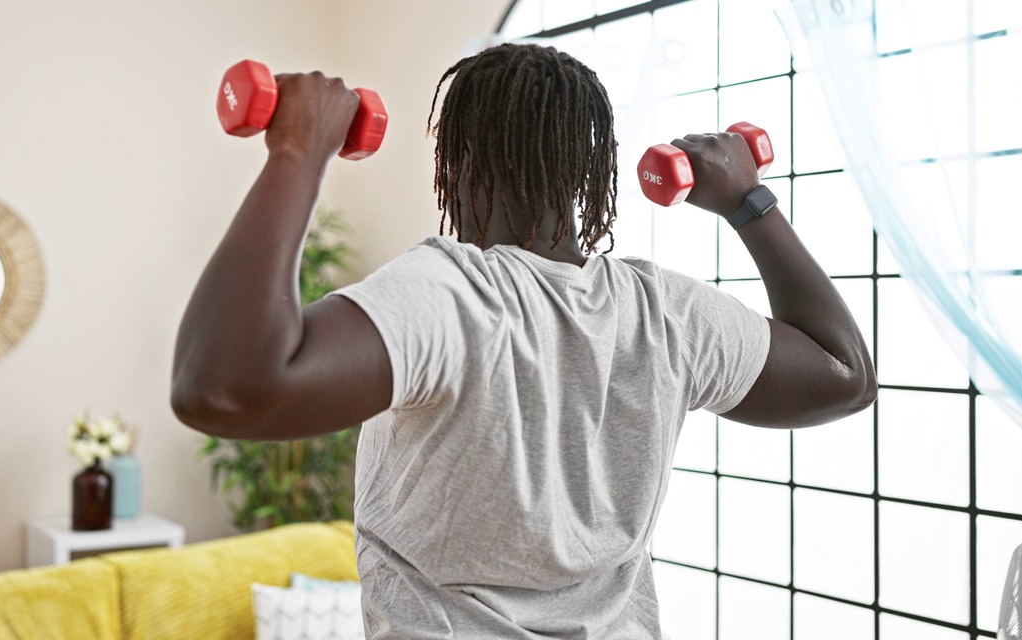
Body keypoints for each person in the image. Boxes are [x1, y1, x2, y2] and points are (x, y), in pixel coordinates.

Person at [171, 43, 877, 638]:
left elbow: (223, 388)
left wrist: (298, 150)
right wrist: (748, 201)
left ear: (460, 157)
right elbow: (843, 373)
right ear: (592, 170)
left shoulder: (450, 293)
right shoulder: (668, 313)